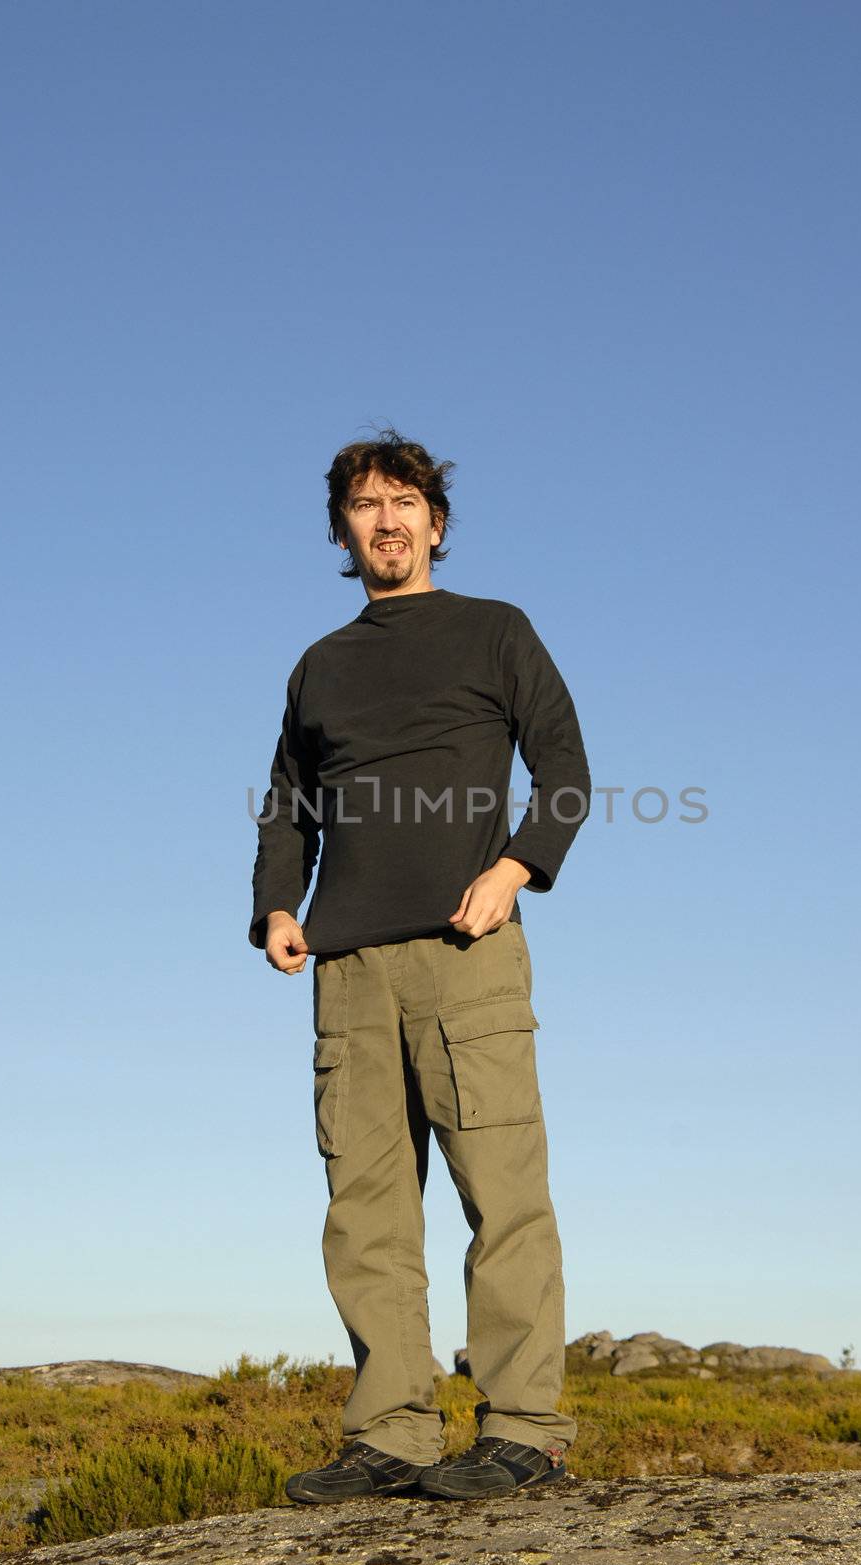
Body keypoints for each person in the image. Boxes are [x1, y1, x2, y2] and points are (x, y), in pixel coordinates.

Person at [248, 428, 591, 1503]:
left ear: (436, 522)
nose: (386, 519)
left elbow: (568, 769)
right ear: (344, 532)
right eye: (365, 506)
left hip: (466, 951)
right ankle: (391, 1435)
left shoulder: (496, 632)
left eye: (404, 501)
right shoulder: (320, 664)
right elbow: (288, 806)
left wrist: (518, 869)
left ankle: (523, 1428)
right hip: (346, 971)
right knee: (367, 1209)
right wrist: (273, 906)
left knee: (504, 1193)